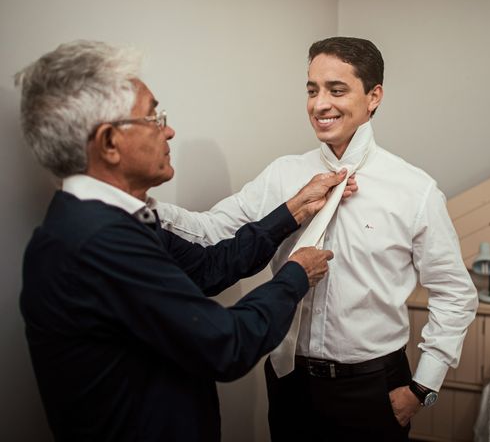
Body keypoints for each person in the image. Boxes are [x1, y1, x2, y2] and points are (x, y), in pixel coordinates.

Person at [16, 40, 352, 442]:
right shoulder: (97, 243)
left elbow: (208, 268)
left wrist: (292, 212)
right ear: (109, 143)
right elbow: (226, 343)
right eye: (153, 117)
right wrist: (296, 274)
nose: (168, 130)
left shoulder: (114, 221)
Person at [157, 36, 479, 441]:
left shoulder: (415, 191)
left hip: (372, 387)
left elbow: (454, 293)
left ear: (373, 96)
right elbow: (210, 230)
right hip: (289, 381)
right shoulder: (283, 175)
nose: (319, 104)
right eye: (312, 90)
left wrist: (423, 387)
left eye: (336, 90)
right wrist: (141, 211)